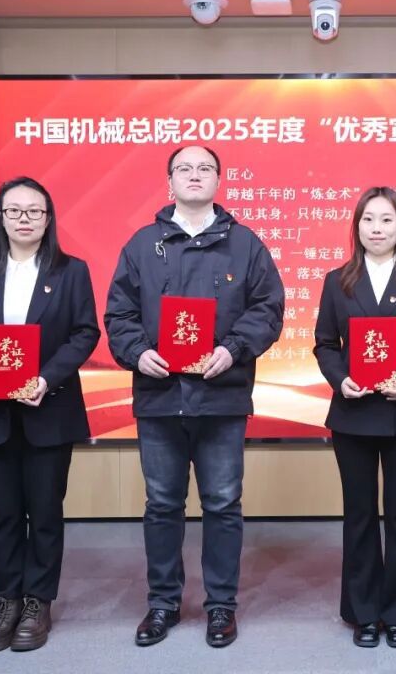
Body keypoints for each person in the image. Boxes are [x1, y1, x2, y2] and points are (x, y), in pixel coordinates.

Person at [105, 145, 284, 649]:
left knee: (223, 504)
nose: (195, 175)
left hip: (221, 399)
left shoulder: (245, 245)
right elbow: (119, 313)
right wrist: (138, 353)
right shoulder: (142, 245)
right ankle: (163, 603)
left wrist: (233, 348)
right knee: (162, 504)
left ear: (219, 180)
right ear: (170, 182)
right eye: (184, 168)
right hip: (160, 397)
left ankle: (221, 605)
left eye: (205, 168)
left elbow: (268, 307)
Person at [0, 176, 100, 652]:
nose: (24, 219)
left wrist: (46, 379)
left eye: (34, 211)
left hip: (49, 408)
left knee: (46, 511)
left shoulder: (71, 271)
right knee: (5, 513)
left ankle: (38, 601)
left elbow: (84, 333)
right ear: (1, 219)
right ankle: (6, 599)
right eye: (14, 211)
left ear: (48, 219)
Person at [313, 187, 396, 649]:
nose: (376, 228)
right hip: (352, 414)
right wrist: (339, 379)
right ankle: (363, 612)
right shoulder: (337, 280)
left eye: (386, 220)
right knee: (360, 516)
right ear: (357, 228)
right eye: (368, 219)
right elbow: (325, 344)